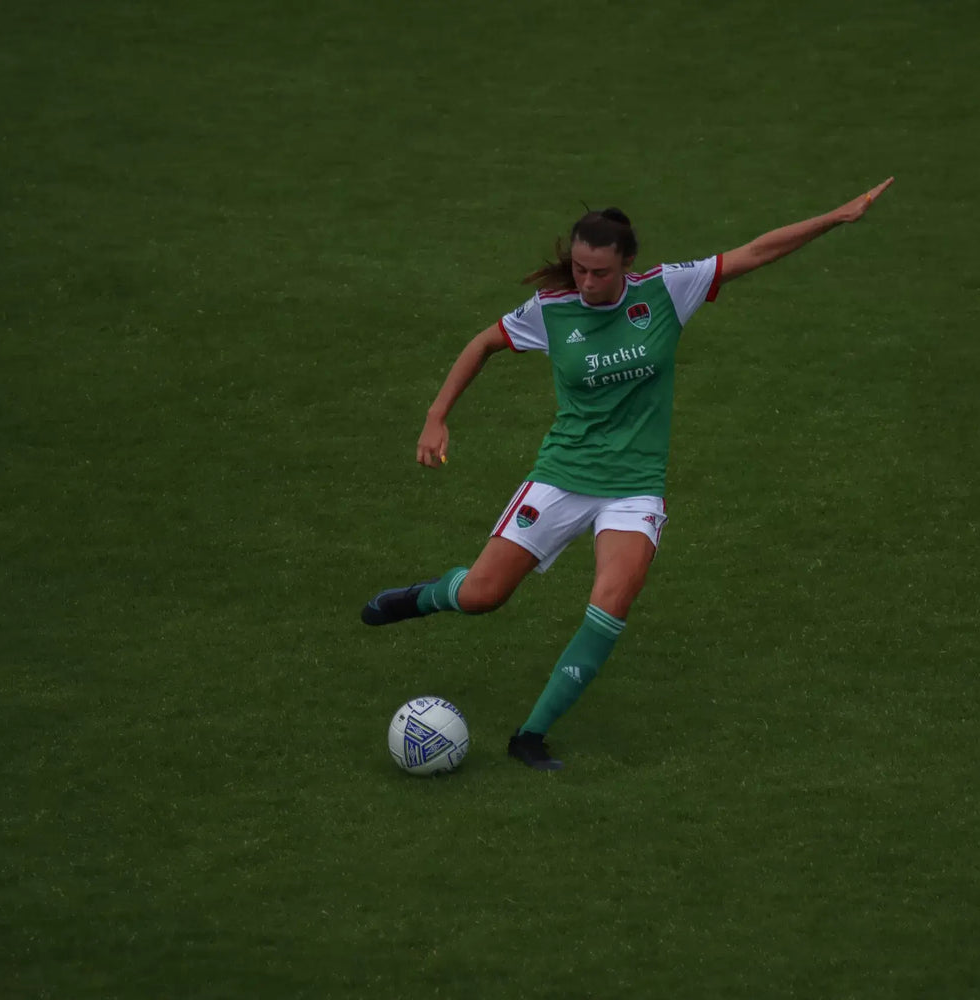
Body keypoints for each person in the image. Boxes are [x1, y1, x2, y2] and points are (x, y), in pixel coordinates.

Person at [364, 177, 895, 770]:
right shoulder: (552, 311)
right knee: (483, 596)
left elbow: (757, 250)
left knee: (613, 599)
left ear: (627, 265)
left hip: (634, 489)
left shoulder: (668, 291)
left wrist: (835, 217)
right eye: (580, 269)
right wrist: (436, 417)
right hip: (561, 477)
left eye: (599, 273)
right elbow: (480, 345)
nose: (586, 283)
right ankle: (429, 596)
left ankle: (530, 736)